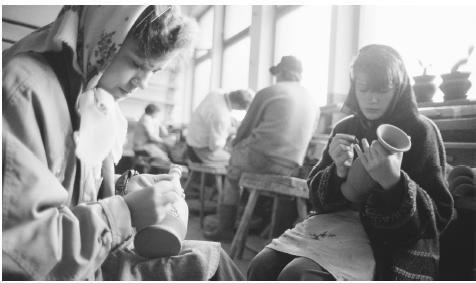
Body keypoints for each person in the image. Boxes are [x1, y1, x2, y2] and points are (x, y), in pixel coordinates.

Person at [2, 6, 244, 280]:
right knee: (212, 270)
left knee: (215, 259)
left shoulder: (93, 94)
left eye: (154, 70)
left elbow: (67, 188)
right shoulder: (23, 91)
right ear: (103, 33)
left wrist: (126, 186)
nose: (142, 82)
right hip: (57, 269)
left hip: (85, 253)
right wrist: (125, 212)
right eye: (137, 64)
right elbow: (20, 254)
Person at [247, 44, 455, 280]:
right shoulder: (346, 127)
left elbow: (439, 216)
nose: (372, 99)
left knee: (299, 275)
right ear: (354, 86)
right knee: (261, 266)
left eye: (383, 90)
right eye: (363, 88)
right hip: (335, 227)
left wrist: (394, 183)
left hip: (388, 240)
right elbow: (315, 197)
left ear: (399, 88)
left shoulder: (420, 131)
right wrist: (336, 172)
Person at [204, 55, 318, 241]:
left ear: (281, 72)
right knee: (279, 189)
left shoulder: (270, 92)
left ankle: (225, 229)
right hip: (291, 165)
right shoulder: (312, 101)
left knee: (232, 174)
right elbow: (310, 137)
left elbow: (245, 129)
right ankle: (276, 236)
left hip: (261, 157)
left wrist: (234, 146)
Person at [186, 89, 254, 166]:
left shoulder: (215, 94)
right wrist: (231, 131)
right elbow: (215, 146)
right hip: (199, 152)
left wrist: (229, 121)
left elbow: (210, 116)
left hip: (190, 144)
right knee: (238, 161)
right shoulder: (222, 117)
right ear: (238, 106)